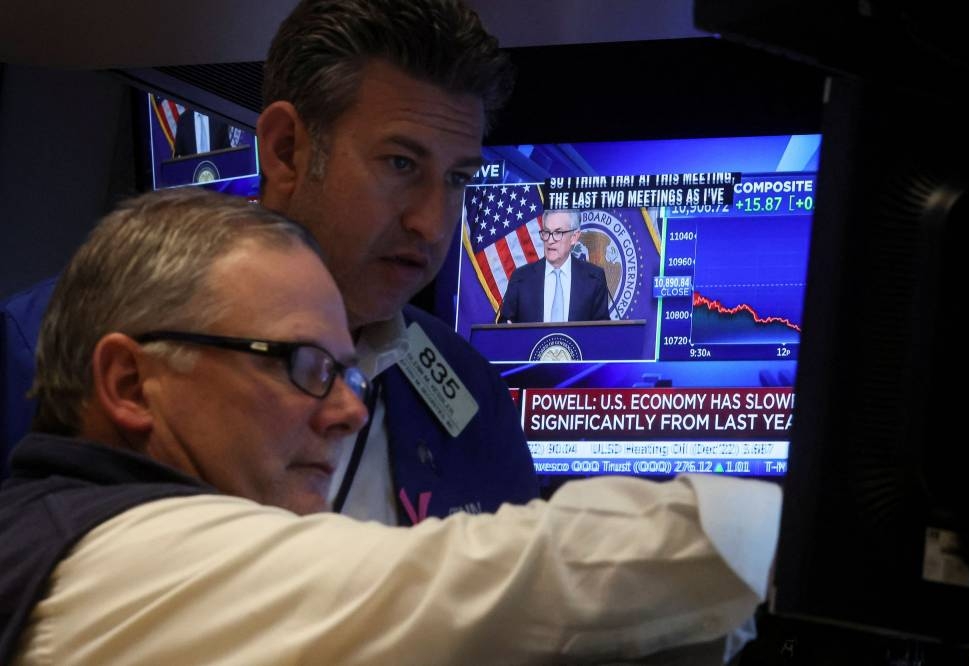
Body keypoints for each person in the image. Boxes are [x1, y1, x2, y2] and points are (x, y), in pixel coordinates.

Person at [0, 188, 782, 664]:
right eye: (302, 365)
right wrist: (804, 530)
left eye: (347, 372)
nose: (348, 409)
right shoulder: (121, 563)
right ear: (130, 383)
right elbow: (505, 578)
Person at [2, 0, 541, 525]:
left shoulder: (473, 399)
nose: (433, 223)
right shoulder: (39, 348)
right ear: (286, 150)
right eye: (401, 163)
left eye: (456, 179)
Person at [498, 209, 611, 324]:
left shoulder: (594, 279)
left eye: (558, 233)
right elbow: (504, 326)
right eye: (546, 232)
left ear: (574, 237)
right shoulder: (521, 278)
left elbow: (601, 333)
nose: (550, 240)